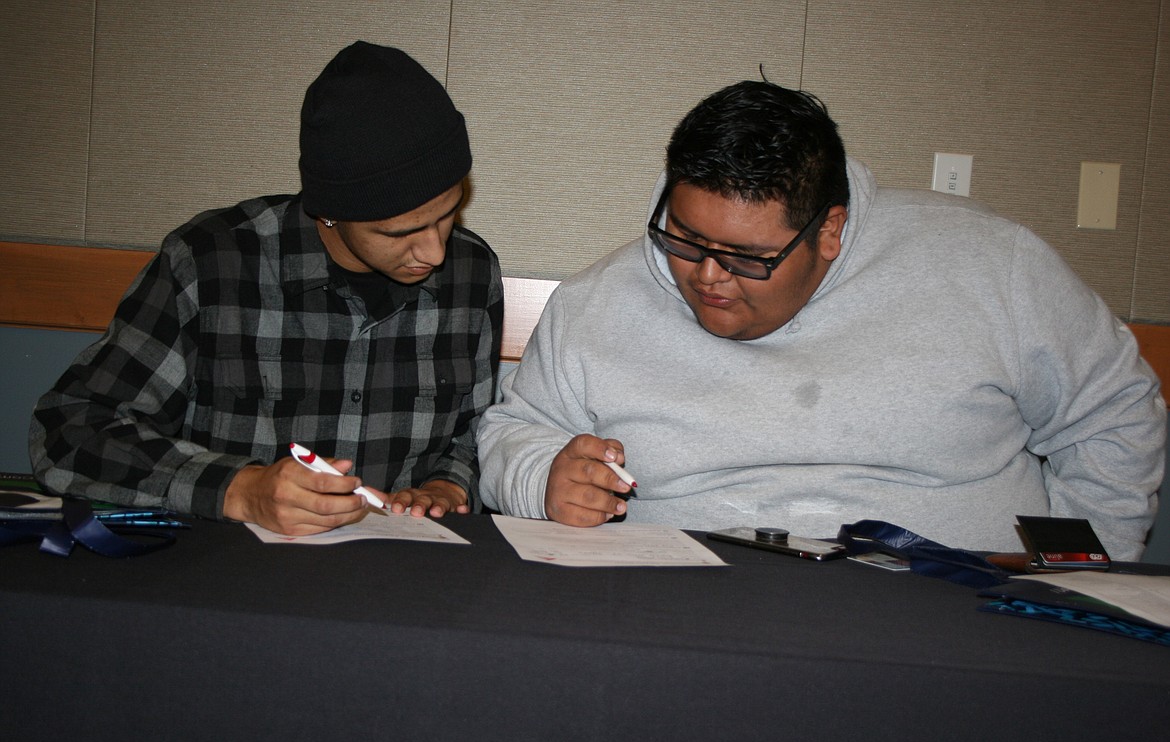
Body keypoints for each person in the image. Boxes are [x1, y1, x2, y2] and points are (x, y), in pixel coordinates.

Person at [477, 80, 1166, 560]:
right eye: (684, 239)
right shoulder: (599, 300)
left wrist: (1075, 572)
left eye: (748, 257)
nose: (707, 277)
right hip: (676, 618)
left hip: (949, 614)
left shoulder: (991, 267)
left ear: (829, 231)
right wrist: (542, 477)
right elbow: (513, 433)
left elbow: (1114, 413)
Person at [30, 41, 503, 536]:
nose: (434, 252)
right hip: (226, 574)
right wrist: (240, 490)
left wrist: (448, 486)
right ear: (329, 210)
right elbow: (70, 429)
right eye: (399, 233)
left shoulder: (472, 275)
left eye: (448, 213)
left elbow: (472, 439)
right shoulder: (212, 262)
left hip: (397, 579)